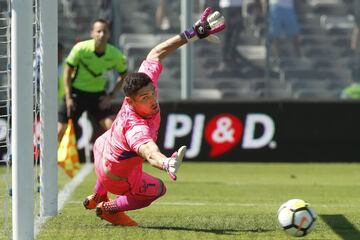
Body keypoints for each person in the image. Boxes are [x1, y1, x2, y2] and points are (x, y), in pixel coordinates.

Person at [82, 7, 225, 226]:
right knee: (158, 189)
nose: (152, 100)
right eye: (145, 98)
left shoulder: (142, 83)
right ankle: (108, 208)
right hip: (116, 179)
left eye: (153, 93)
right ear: (130, 101)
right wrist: (167, 163)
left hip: (102, 151)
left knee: (113, 143)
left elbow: (155, 53)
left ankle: (96, 196)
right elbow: (149, 151)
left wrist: (191, 33)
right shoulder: (137, 127)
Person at [58, 18, 128, 142]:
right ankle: (47, 159)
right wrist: (68, 97)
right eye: (98, 31)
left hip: (97, 96)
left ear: (109, 34)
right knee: (60, 129)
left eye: (105, 32)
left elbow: (124, 76)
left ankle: (118, 159)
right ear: (92, 33)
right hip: (76, 93)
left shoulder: (115, 55)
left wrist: (110, 96)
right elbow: (67, 72)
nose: (101, 35)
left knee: (113, 128)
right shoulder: (80, 49)